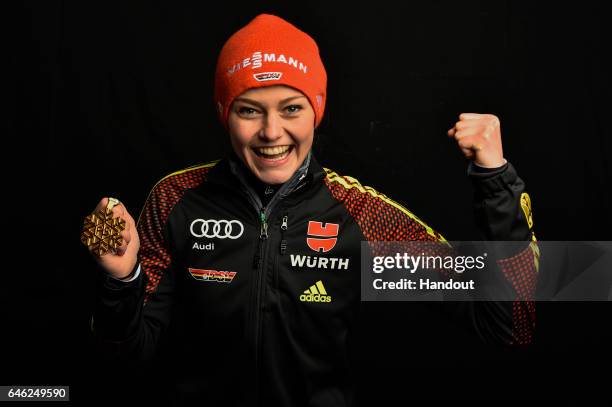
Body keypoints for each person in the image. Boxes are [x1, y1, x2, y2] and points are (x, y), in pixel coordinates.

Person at [83, 14, 538, 406]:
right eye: (249, 111)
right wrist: (122, 281)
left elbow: (508, 324)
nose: (271, 131)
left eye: (292, 108)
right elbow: (124, 356)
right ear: (225, 113)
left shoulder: (359, 215)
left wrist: (494, 179)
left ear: (316, 112)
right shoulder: (175, 198)